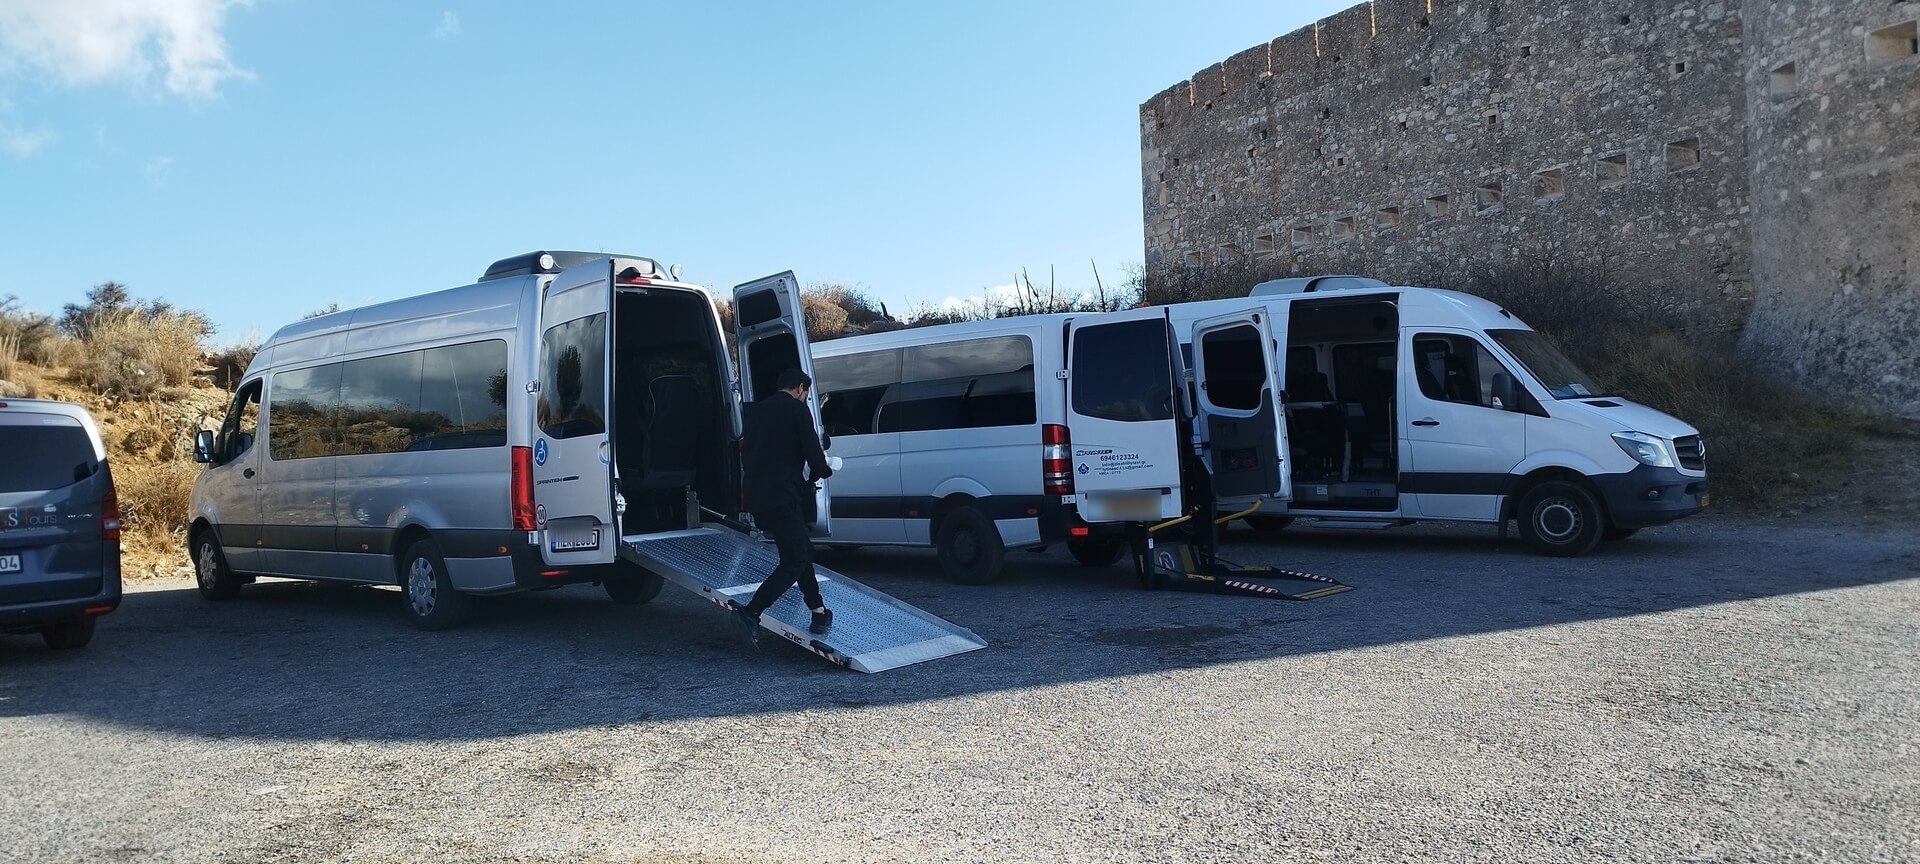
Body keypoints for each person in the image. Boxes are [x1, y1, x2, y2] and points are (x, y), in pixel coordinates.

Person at [731, 367, 834, 646]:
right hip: (783, 497)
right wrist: (823, 470)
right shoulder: (797, 410)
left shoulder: (755, 411)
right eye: (806, 393)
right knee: (795, 559)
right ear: (800, 387)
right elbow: (813, 450)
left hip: (756, 497)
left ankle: (818, 611)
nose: (805, 398)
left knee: (800, 550)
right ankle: (751, 611)